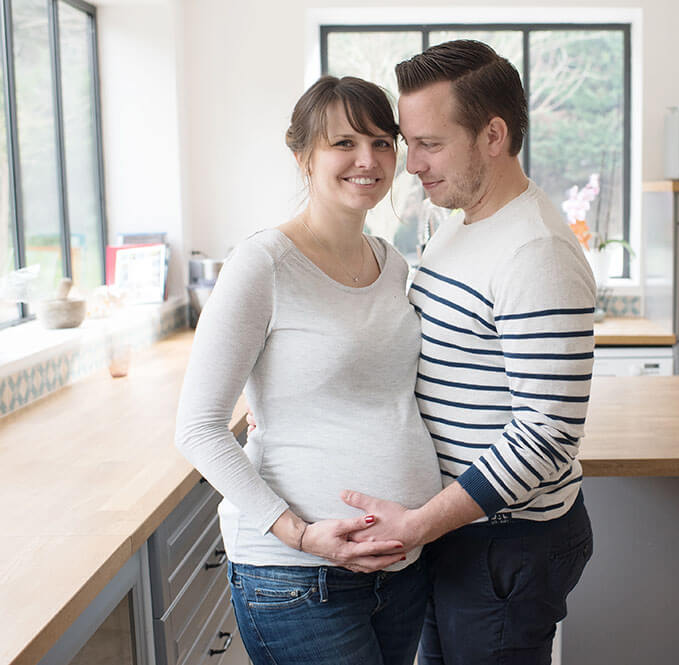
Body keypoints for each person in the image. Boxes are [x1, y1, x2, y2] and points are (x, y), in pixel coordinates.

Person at [341, 40, 598, 665]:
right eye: (411, 143)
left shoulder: (535, 252)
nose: (411, 165)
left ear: (493, 134)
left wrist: (421, 524)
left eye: (430, 144)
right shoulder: (458, 222)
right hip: (462, 531)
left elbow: (547, 433)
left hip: (505, 543)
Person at [174, 75, 443, 665]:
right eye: (343, 143)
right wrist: (299, 532)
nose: (367, 160)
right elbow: (198, 428)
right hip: (299, 579)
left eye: (380, 142)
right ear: (303, 156)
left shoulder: (394, 264)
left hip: (401, 571)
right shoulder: (262, 265)